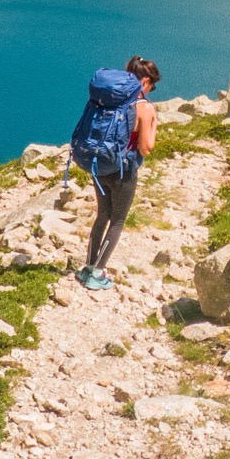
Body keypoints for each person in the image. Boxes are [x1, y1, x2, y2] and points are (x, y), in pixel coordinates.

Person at [75, 55, 159, 291]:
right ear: (145, 81)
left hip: (99, 165)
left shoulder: (107, 101)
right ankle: (97, 273)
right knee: (118, 220)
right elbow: (146, 148)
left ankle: (87, 268)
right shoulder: (144, 108)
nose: (151, 90)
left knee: (102, 215)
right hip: (124, 171)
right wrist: (153, 125)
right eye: (152, 85)